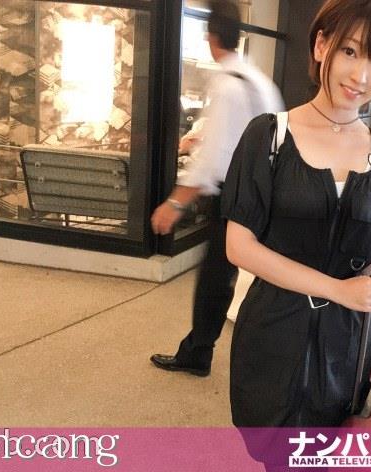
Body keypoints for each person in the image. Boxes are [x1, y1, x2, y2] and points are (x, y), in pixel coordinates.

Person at [222, 0, 371, 436]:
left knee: (330, 451)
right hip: (273, 332)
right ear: (321, 46)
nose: (361, 76)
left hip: (345, 346)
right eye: (350, 51)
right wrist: (337, 289)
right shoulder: (269, 136)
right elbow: (239, 247)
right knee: (276, 451)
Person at [150, 0, 284, 377]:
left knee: (215, 277)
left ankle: (198, 353)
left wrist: (175, 202)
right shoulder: (260, 81)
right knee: (248, 274)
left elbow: (214, 157)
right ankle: (211, 350)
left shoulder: (228, 85)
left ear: (211, 37)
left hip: (233, 194)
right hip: (263, 192)